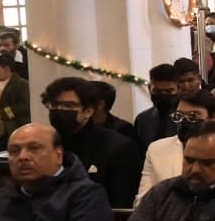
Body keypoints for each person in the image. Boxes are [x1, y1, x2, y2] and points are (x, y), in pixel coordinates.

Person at [40, 77, 143, 208]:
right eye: (54, 105)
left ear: (88, 111)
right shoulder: (45, 144)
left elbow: (122, 204)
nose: (59, 110)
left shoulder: (119, 147)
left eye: (69, 106)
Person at [137, 92, 215, 201]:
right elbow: (143, 198)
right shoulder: (156, 149)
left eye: (193, 116)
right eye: (179, 116)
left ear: (213, 117)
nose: (185, 121)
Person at [134, 64, 181, 148]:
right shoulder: (142, 120)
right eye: (157, 91)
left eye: (169, 91)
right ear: (149, 88)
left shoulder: (188, 119)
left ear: (179, 88)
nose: (163, 95)